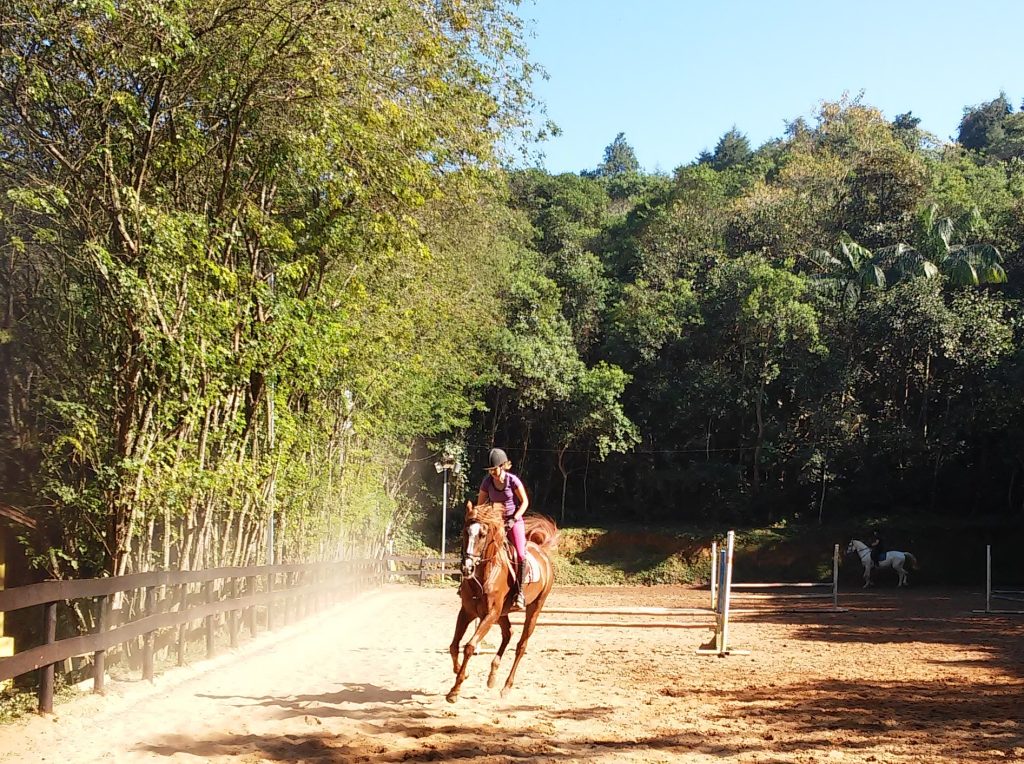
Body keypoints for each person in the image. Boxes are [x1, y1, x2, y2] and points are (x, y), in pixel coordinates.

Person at [477, 447, 530, 611]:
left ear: (503, 466)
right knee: (477, 550)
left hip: (514, 520)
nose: (492, 472)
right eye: (490, 470)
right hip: (495, 522)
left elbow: (525, 502)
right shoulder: (487, 482)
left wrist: (514, 519)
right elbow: (480, 505)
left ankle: (520, 592)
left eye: (494, 469)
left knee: (520, 554)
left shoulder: (513, 481)